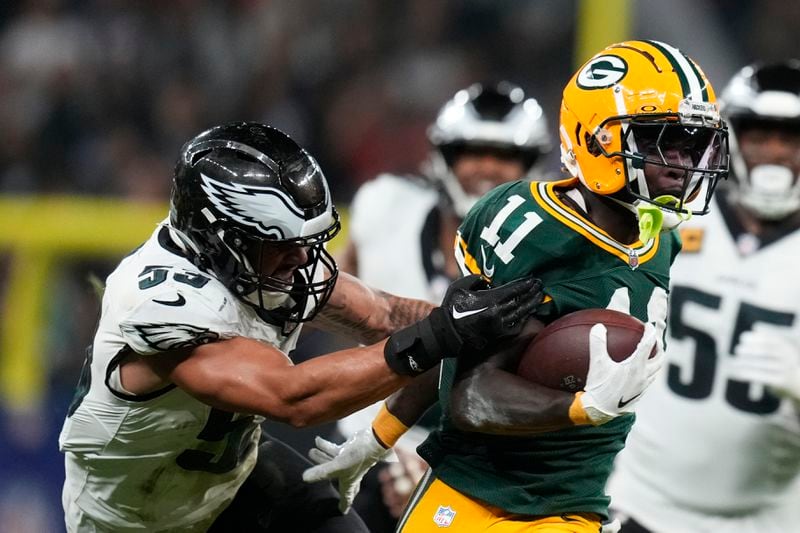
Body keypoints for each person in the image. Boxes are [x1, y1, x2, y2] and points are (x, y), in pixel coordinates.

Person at [303, 40, 729, 532]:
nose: (683, 163)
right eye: (662, 142)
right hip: (465, 485)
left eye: (693, 144)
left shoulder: (663, 242)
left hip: (564, 506)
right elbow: (464, 386)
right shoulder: (528, 226)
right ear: (596, 141)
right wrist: (377, 439)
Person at [57, 122, 544, 532]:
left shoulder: (262, 262)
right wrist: (441, 335)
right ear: (219, 237)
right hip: (132, 518)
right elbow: (290, 397)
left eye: (307, 242)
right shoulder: (162, 302)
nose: (303, 260)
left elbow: (381, 315)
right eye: (282, 245)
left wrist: (498, 322)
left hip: (231, 480)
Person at [331, 81, 552, 531]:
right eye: (473, 151)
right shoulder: (385, 206)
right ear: (444, 156)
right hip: (369, 431)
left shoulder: (556, 250)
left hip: (482, 454)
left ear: (531, 165)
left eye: (506, 155)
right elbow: (330, 300)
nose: (488, 168)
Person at [606, 61, 800, 533]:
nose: (775, 153)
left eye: (791, 138)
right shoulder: (669, 217)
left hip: (764, 517)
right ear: (730, 137)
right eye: (759, 136)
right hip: (636, 498)